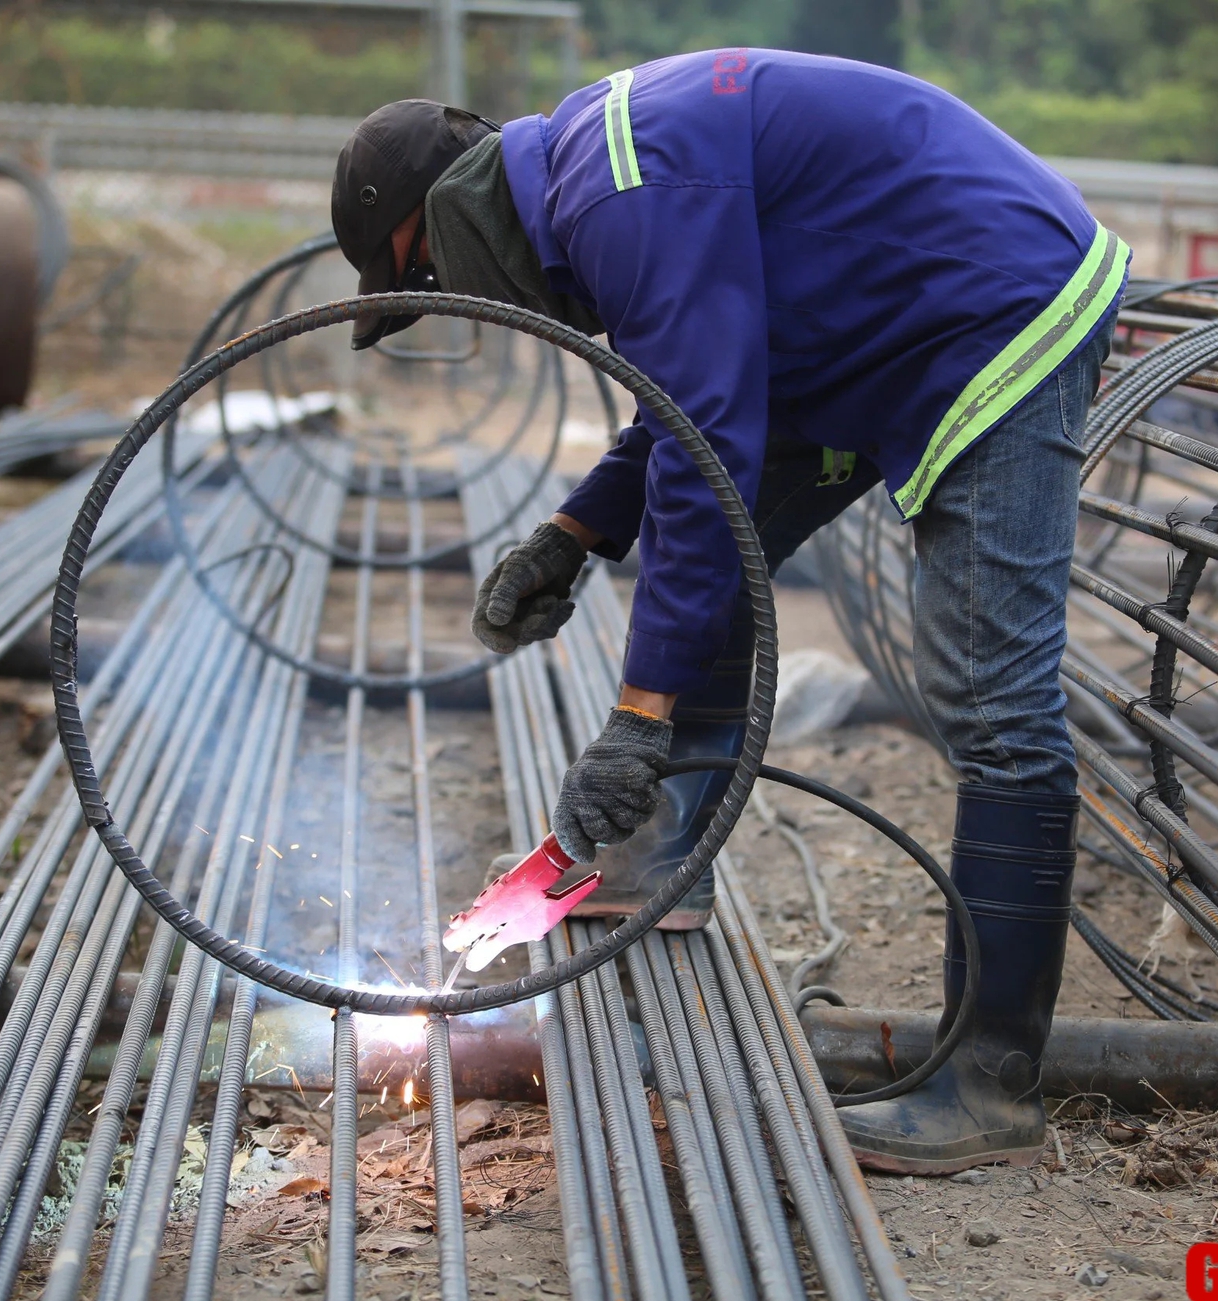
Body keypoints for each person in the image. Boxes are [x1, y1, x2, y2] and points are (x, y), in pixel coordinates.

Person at [329, 50, 1128, 1175]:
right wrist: (575, 532)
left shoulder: (615, 193)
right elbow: (688, 402)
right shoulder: (582, 179)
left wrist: (638, 713)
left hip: (986, 308)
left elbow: (701, 444)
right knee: (719, 525)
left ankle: (989, 1083)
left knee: (992, 700)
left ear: (446, 220)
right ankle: (661, 861)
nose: (459, 308)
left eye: (424, 282)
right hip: (866, 325)